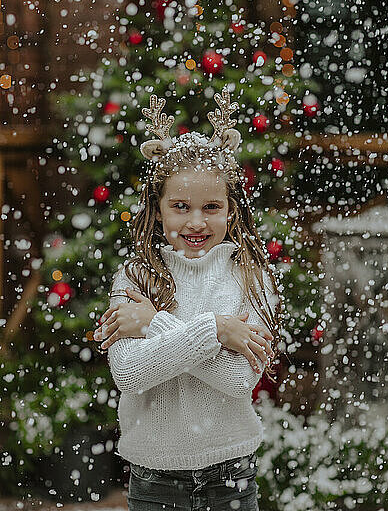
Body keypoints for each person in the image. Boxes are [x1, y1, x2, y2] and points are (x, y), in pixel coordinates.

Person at [93, 86, 283, 510]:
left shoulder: (250, 279)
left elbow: (238, 381)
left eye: (212, 206)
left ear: (231, 209)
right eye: (180, 206)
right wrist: (215, 329)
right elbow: (130, 375)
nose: (196, 221)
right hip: (154, 480)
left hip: (231, 475)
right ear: (157, 208)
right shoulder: (134, 277)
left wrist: (155, 325)